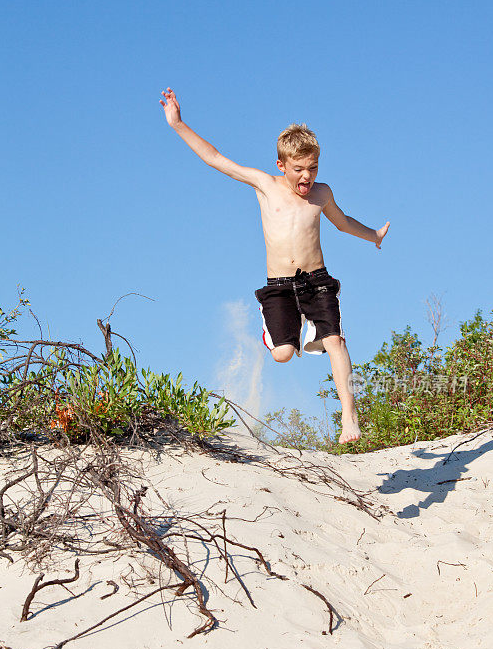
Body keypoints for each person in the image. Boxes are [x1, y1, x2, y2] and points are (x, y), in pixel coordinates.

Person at [159, 87, 390, 444]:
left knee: (336, 341)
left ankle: (349, 417)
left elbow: (342, 223)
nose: (306, 177)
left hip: (317, 280)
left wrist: (373, 234)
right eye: (298, 169)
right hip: (280, 285)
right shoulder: (265, 186)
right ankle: (278, 332)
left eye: (312, 168)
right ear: (281, 165)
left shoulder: (322, 194)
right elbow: (217, 158)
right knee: (282, 355)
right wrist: (177, 124)